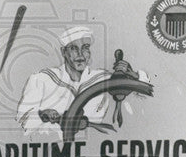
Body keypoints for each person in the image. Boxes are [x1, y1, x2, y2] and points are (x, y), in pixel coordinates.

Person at [15, 26, 147, 137]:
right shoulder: (42, 79)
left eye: (85, 47)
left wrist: (134, 75)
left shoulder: (103, 79)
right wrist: (41, 114)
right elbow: (22, 122)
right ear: (63, 52)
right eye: (73, 48)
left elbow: (145, 96)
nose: (80, 54)